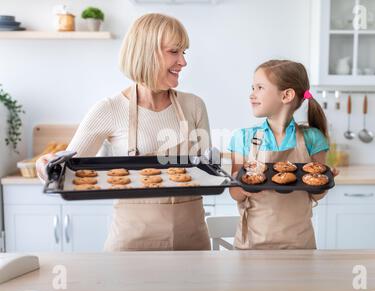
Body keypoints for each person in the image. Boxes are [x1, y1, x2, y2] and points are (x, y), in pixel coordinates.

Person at [36, 13, 212, 251]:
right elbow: (67, 168)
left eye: (184, 52)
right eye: (174, 51)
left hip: (192, 240)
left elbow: (208, 171)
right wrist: (45, 166)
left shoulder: (194, 106)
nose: (183, 62)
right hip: (132, 244)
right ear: (146, 53)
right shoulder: (109, 109)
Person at [229, 59, 338, 250]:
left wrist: (323, 182)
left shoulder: (313, 138)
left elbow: (317, 196)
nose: (251, 95)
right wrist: (245, 186)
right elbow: (235, 193)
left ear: (286, 95)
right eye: (252, 87)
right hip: (253, 244)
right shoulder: (243, 138)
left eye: (260, 88)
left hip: (299, 244)